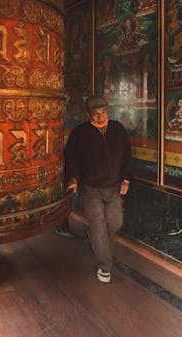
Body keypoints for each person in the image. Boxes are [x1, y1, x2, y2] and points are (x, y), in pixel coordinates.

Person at [62, 95, 132, 283]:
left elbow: (127, 156)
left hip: (114, 185)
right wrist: (74, 178)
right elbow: (72, 159)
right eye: (96, 114)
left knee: (115, 222)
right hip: (90, 187)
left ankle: (95, 236)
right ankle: (105, 266)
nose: (100, 117)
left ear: (108, 111)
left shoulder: (118, 129)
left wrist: (126, 179)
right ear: (88, 114)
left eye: (103, 112)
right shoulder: (80, 133)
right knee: (98, 224)